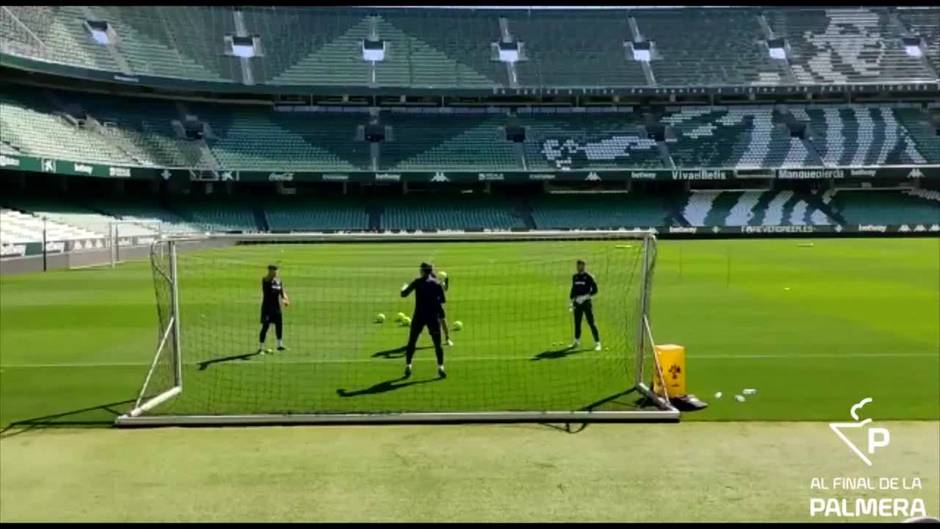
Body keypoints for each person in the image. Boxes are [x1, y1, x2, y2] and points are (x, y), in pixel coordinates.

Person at [400, 262, 447, 378]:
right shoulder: (437, 283)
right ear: (430, 271)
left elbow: (404, 294)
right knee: (437, 344)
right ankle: (440, 367)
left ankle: (408, 365)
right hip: (433, 317)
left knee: (412, 342)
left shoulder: (417, 282)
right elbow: (442, 300)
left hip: (419, 317)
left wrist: (403, 287)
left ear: (422, 270)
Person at [569, 259, 601, 351]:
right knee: (577, 323)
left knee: (591, 322)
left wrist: (585, 297)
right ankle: (576, 341)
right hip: (577, 303)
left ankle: (597, 343)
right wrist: (572, 300)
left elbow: (595, 290)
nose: (578, 267)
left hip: (586, 303)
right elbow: (573, 290)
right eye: (577, 266)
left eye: (580, 265)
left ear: (584, 266)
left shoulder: (589, 277)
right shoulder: (575, 277)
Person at [258, 264, 289, 354]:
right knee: (265, 327)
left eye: (276, 271)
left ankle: (280, 345)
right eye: (273, 271)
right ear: (269, 271)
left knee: (279, 326)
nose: (275, 272)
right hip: (267, 308)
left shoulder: (278, 281)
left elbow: (282, 292)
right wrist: (271, 275)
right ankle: (261, 348)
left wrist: (285, 299)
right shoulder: (265, 280)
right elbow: (268, 279)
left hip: (276, 308)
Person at [431, 270, 454, 346]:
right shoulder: (428, 284)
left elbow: (445, 288)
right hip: (429, 306)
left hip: (437, 306)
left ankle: (447, 339)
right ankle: (441, 339)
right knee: (436, 324)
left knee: (442, 321)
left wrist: (446, 280)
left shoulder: (439, 283)